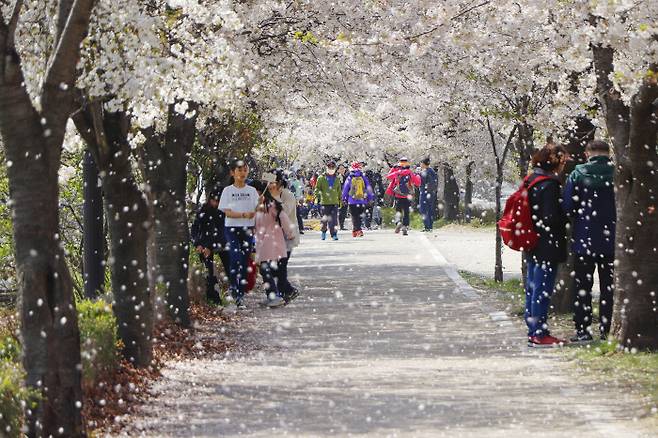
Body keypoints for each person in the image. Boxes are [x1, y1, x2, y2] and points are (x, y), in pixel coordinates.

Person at [562, 140, 616, 343]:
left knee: (582, 286)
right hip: (612, 239)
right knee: (608, 287)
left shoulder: (577, 174)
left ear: (587, 154)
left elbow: (568, 206)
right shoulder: (617, 173)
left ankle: (582, 329)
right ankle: (607, 328)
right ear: (608, 153)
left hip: (584, 238)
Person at [525, 146, 569, 348]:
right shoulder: (550, 184)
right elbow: (551, 217)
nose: (564, 164)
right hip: (547, 243)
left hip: (532, 241)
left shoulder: (531, 180)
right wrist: (565, 214)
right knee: (542, 289)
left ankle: (533, 329)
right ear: (554, 162)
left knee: (533, 287)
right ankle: (540, 333)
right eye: (563, 161)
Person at [218, 159, 259, 309]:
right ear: (232, 172)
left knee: (243, 261)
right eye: (239, 170)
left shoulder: (252, 191)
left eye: (245, 170)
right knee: (235, 258)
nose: (242, 173)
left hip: (247, 229)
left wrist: (259, 206)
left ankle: (239, 295)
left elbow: (257, 210)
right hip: (232, 229)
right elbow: (227, 212)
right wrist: (243, 215)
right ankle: (234, 289)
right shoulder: (228, 191)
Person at [251, 180, 295, 308]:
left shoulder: (270, 205)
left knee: (265, 269)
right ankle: (274, 295)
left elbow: (283, 218)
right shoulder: (255, 206)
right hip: (262, 242)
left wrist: (290, 232)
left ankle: (275, 295)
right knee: (266, 270)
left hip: (272, 241)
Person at [191, 189, 229, 304]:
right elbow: (195, 229)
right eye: (214, 201)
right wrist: (198, 244)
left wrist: (210, 247)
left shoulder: (222, 212)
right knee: (208, 272)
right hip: (204, 244)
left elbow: (221, 232)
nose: (216, 204)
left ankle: (235, 293)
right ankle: (212, 296)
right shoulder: (202, 211)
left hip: (220, 243)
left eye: (218, 201)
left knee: (229, 268)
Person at [269, 171, 301, 304]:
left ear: (280, 182)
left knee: (281, 266)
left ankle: (286, 291)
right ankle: (287, 291)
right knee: (274, 268)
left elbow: (284, 212)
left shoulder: (287, 195)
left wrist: (276, 197)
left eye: (273, 182)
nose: (269, 185)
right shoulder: (267, 194)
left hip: (287, 235)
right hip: (274, 236)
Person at [385, 158, 421, 236]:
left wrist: (393, 169)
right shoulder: (410, 173)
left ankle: (398, 222)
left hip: (398, 195)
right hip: (408, 196)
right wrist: (417, 175)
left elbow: (388, 177)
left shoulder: (398, 172)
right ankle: (405, 226)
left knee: (398, 211)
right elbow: (418, 183)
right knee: (406, 212)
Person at [342, 161, 375, 237]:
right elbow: (368, 188)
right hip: (362, 200)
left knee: (354, 216)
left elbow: (345, 189)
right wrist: (370, 198)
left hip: (352, 200)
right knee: (359, 216)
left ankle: (356, 230)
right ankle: (357, 230)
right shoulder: (363, 177)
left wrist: (344, 198)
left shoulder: (349, 177)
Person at [314, 161, 342, 240]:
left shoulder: (337, 179)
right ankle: (323, 232)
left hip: (334, 202)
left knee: (334, 220)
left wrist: (340, 200)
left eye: (333, 167)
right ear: (326, 168)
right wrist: (317, 197)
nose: (331, 169)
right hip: (324, 202)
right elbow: (317, 189)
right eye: (329, 167)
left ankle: (334, 234)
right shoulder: (321, 178)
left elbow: (339, 190)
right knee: (324, 220)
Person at [418, 158, 439, 232]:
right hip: (431, 193)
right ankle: (430, 226)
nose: (420, 165)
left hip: (425, 192)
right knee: (430, 209)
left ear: (423, 164)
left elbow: (420, 182)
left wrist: (418, 174)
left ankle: (427, 226)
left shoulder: (425, 172)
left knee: (423, 209)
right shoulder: (432, 171)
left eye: (421, 163)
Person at [337, 163, 349, 230]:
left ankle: (342, 225)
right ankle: (341, 225)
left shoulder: (346, 177)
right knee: (341, 210)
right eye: (340, 169)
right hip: (340, 196)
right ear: (338, 170)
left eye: (343, 169)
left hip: (346, 195)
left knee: (344, 210)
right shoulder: (338, 177)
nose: (342, 170)